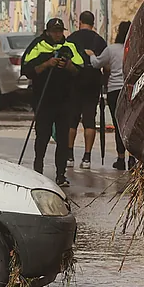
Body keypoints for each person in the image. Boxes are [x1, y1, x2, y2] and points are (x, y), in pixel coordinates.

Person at [22, 17, 84, 187]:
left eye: (60, 31)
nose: (57, 34)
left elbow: (82, 69)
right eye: (54, 31)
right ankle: (38, 169)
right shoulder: (38, 45)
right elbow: (27, 69)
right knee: (42, 136)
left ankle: (61, 174)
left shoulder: (70, 46)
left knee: (63, 139)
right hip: (43, 100)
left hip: (65, 100)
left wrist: (68, 65)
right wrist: (47, 64)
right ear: (48, 32)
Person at [67, 10, 108, 169]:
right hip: (93, 83)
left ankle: (69, 155)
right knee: (89, 120)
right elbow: (106, 65)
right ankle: (87, 157)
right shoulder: (99, 41)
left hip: (74, 82)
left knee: (72, 120)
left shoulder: (71, 39)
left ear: (79, 22)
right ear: (93, 23)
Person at [90, 21, 129, 170]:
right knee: (129, 124)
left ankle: (120, 158)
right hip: (131, 90)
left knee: (118, 125)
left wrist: (92, 55)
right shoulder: (133, 48)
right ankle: (132, 158)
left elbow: (97, 63)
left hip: (114, 90)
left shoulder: (111, 49)